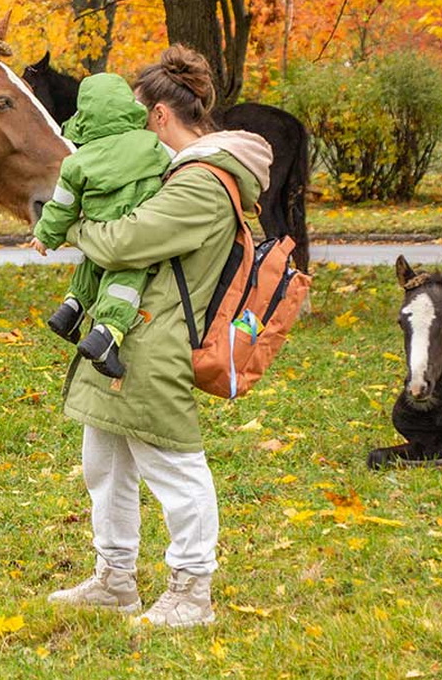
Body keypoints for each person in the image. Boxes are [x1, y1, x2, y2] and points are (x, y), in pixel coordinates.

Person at [46, 45, 272, 628]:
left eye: (136, 115)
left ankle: (192, 592)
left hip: (160, 342)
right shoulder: (173, 174)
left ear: (159, 117)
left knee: (175, 468)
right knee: (106, 461)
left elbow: (124, 242)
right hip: (130, 337)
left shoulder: (201, 182)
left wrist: (73, 219)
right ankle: (115, 579)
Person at [30, 72, 174, 378]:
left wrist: (45, 235)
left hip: (96, 228)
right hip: (131, 230)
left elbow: (63, 206)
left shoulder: (77, 161)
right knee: (127, 278)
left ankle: (71, 309)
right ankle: (107, 335)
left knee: (92, 263)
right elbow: (174, 172)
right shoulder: (151, 144)